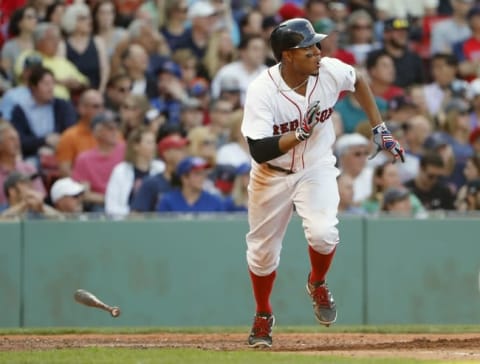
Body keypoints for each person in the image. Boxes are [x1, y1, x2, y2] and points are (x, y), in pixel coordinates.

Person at [240, 18, 404, 348]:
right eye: (309, 48)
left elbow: (357, 80)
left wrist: (379, 128)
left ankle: (317, 282)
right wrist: (298, 134)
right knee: (261, 255)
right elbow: (258, 150)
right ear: (287, 56)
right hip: (271, 174)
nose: (318, 52)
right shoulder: (262, 90)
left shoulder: (328, 71)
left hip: (315, 168)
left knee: (324, 233)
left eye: (317, 45)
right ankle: (263, 314)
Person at [71, 110, 125, 212]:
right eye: (110, 128)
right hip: (101, 206)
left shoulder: (126, 151)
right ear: (97, 132)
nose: (115, 132)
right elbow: (84, 194)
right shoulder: (84, 159)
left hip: (128, 201)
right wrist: (111, 201)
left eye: (116, 128)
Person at [156, 156, 225, 213]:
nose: (203, 177)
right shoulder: (167, 201)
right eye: (197, 174)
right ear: (184, 178)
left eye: (204, 173)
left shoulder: (215, 201)